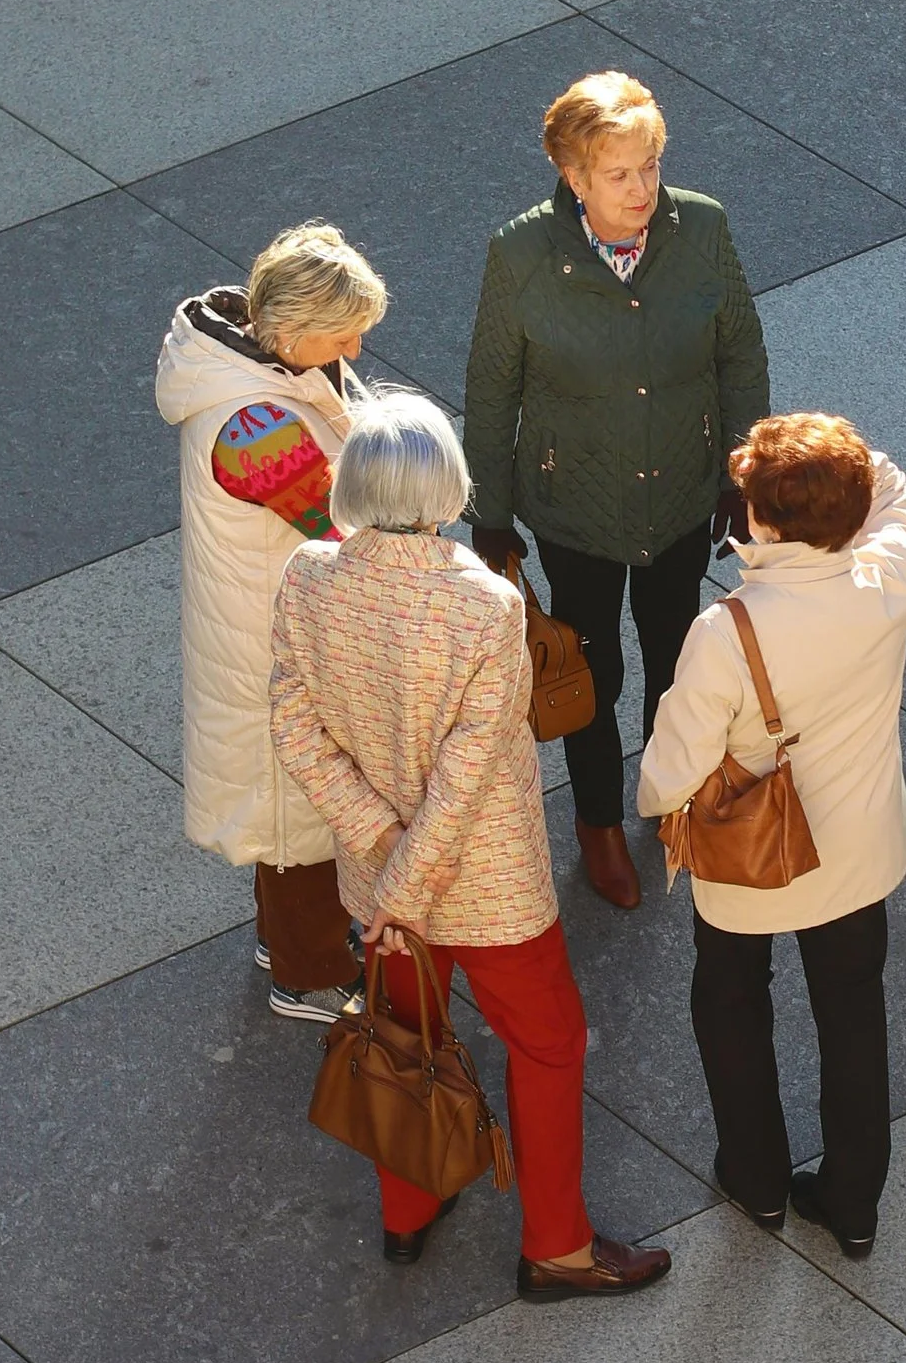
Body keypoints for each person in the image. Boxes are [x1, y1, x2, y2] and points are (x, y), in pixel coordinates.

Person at [269, 392, 671, 1299]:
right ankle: (557, 1246)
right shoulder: (484, 605)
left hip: (378, 889)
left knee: (404, 1041)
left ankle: (409, 1210)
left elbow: (292, 727)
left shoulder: (307, 575)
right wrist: (414, 878)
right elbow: (469, 775)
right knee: (549, 1042)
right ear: (446, 484)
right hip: (487, 884)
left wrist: (383, 858)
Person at [465, 71, 770, 916]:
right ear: (573, 176)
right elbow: (492, 389)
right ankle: (598, 823)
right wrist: (490, 517)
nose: (642, 190)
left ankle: (669, 794)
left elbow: (739, 353)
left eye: (651, 166)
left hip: (679, 494)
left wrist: (744, 472)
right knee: (585, 668)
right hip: (576, 512)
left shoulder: (701, 228)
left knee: (678, 655)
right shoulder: (520, 256)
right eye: (619, 174)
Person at [638, 413, 906, 1260]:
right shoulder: (887, 577)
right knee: (852, 1015)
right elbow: (895, 489)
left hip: (749, 861)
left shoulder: (727, 630)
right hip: (860, 849)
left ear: (759, 519)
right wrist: (831, 463)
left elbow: (671, 771)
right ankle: (854, 1204)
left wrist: (658, 807)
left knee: (730, 1000)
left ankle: (757, 1180)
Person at [157, 221, 386, 1021]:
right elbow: (336, 526)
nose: (354, 350)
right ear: (292, 331)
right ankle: (309, 970)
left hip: (254, 626)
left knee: (278, 807)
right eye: (345, 332)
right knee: (297, 818)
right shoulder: (256, 425)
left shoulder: (242, 372)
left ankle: (284, 937)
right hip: (275, 642)